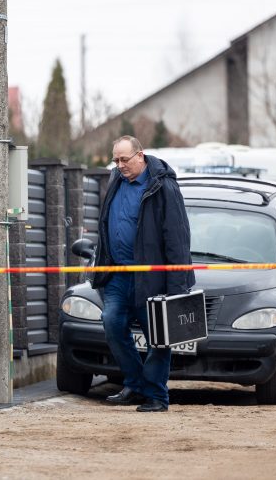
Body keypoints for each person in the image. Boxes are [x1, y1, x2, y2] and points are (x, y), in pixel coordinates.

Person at [91, 135, 192, 412]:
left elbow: (177, 238)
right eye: (116, 160)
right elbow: (105, 224)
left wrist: (177, 284)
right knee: (111, 322)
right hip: (118, 274)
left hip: (152, 277)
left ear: (141, 156)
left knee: (158, 336)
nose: (119, 165)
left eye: (124, 159)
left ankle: (157, 396)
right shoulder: (115, 181)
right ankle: (135, 384)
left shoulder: (163, 187)